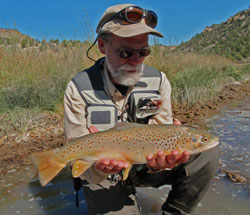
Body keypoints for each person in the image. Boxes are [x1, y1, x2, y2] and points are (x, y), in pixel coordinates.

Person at [64, 4, 219, 215]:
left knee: (206, 155)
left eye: (143, 51)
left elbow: (162, 137)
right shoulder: (78, 88)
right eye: (125, 52)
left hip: (144, 165)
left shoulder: (159, 81)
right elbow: (75, 155)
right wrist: (98, 169)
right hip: (101, 173)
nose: (136, 60)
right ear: (102, 45)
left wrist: (158, 165)